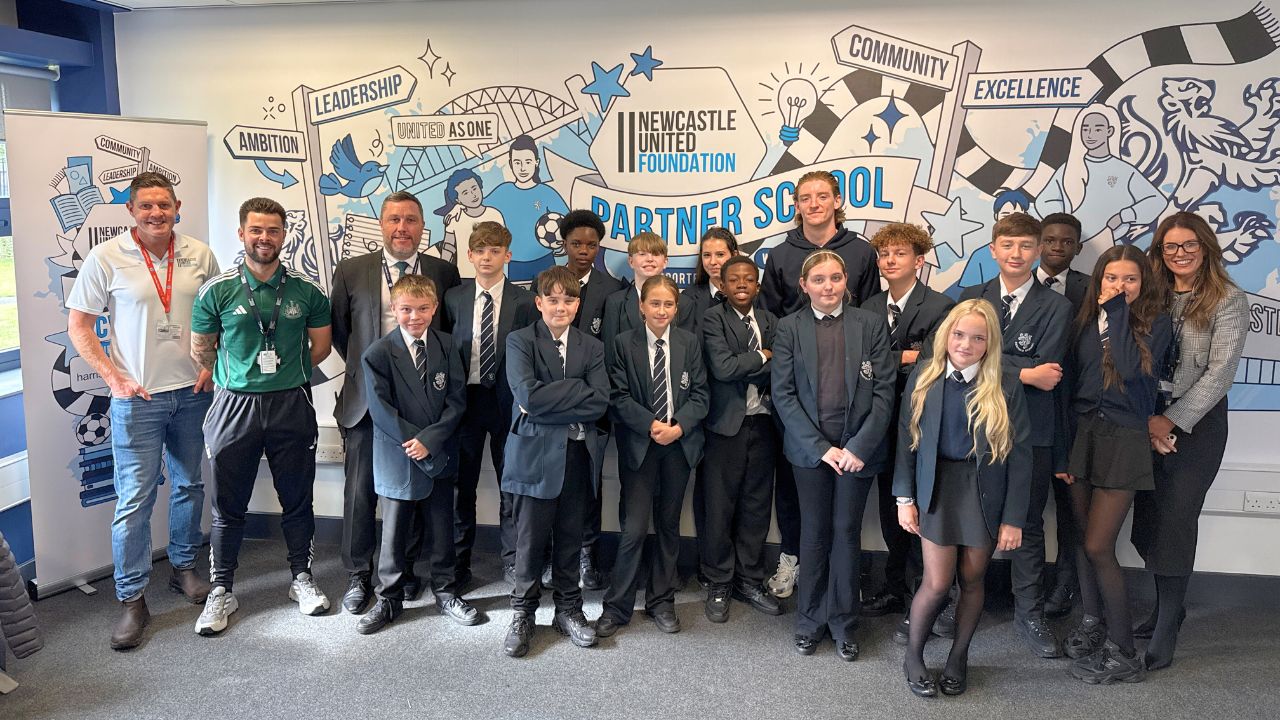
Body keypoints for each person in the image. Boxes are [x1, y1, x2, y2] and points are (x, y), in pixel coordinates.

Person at [66, 172, 220, 650]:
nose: (156, 213)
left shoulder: (200, 255)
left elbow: (218, 315)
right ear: (131, 211)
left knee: (190, 484)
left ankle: (183, 567)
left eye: (164, 205)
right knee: (134, 499)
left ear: (178, 207)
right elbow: (79, 325)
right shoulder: (106, 257)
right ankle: (132, 598)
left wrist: (210, 364)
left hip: (193, 392)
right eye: (146, 206)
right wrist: (113, 378)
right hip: (138, 400)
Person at [189, 197, 333, 636]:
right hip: (234, 405)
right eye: (256, 230)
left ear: (283, 235)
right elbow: (201, 350)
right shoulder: (217, 290)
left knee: (297, 498)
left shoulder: (307, 290)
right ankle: (221, 589)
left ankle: (301, 578)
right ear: (241, 234)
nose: (264, 238)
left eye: (273, 230)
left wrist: (285, 374)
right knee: (228, 505)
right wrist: (236, 376)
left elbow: (321, 347)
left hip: (291, 403)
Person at [330, 190, 462, 616]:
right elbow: (342, 333)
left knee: (414, 491)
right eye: (394, 219)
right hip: (367, 404)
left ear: (423, 226)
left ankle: (403, 574)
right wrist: (374, 376)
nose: (402, 228)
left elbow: (446, 334)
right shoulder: (352, 270)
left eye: (410, 220)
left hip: (422, 403)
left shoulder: (443, 271)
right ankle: (358, 576)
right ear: (382, 224)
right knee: (361, 494)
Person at [894, 299, 1031, 698]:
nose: (965, 345)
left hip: (982, 491)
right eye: (958, 334)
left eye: (977, 338)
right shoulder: (925, 375)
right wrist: (904, 498)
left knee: (972, 581)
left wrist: (1013, 518)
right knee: (937, 583)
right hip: (938, 487)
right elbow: (905, 441)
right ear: (946, 335)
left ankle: (958, 657)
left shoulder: (1005, 383)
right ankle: (914, 657)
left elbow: (1022, 457)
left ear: (990, 343)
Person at [1132, 212, 1248, 670]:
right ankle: (1170, 607)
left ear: (1205, 247)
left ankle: (1166, 627)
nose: (1179, 254)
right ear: (1160, 252)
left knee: (1175, 522)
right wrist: (1149, 420)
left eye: (1189, 245)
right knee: (1147, 521)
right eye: (1170, 247)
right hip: (1146, 418)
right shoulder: (1152, 295)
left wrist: (1171, 422)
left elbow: (1220, 373)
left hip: (1197, 426)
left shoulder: (1228, 299)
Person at [761, 170, 880, 598]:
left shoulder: (861, 251)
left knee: (845, 514)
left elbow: (870, 313)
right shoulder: (780, 255)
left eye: (822, 196)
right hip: (798, 395)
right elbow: (770, 317)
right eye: (805, 197)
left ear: (837, 200)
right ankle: (793, 560)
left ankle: (842, 579)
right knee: (795, 489)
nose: (814, 204)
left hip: (849, 396)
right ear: (796, 205)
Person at [771, 250, 894, 661]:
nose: (828, 286)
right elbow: (783, 395)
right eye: (819, 279)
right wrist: (821, 448)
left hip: (857, 451)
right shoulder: (789, 328)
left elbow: (884, 393)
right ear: (804, 285)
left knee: (845, 532)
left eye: (835, 278)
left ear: (847, 282)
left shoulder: (870, 324)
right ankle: (809, 620)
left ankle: (843, 622)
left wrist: (858, 447)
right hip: (810, 451)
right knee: (814, 533)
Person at [960, 212, 1072, 658]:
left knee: (1026, 521)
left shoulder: (1057, 307)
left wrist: (991, 364)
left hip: (1032, 432)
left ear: (1039, 251)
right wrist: (1024, 372)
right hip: (975, 428)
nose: (1016, 253)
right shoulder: (971, 298)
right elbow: (958, 358)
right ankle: (957, 601)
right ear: (993, 250)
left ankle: (1030, 612)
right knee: (968, 519)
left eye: (1026, 246)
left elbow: (1050, 370)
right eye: (1007, 245)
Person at [1059, 245, 1171, 684]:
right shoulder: (1084, 321)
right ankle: (1093, 622)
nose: (1119, 285)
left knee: (1098, 546)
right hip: (1082, 435)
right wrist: (1064, 448)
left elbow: (1128, 369)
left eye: (1130, 279)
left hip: (1124, 440)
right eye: (1111, 278)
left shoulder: (1156, 323)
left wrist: (1118, 311)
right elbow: (1069, 385)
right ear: (1098, 280)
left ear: (1143, 284)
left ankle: (1123, 652)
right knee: (1081, 537)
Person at [355, 274, 481, 634]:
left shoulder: (447, 345)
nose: (415, 316)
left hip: (438, 451)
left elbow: (457, 401)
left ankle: (446, 591)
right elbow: (381, 410)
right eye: (407, 309)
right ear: (394, 309)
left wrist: (431, 440)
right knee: (394, 533)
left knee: (443, 527)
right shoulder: (378, 353)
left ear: (435, 307)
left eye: (423, 308)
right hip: (399, 455)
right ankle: (389, 598)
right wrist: (414, 441)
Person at [501, 266, 610, 657]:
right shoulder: (520, 341)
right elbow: (528, 397)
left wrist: (551, 400)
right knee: (529, 542)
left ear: (577, 305)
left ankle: (568, 609)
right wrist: (577, 390)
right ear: (539, 302)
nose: (560, 307)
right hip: (534, 455)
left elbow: (600, 401)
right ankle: (523, 613)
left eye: (568, 300)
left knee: (570, 538)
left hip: (577, 455)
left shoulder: (592, 346)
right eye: (552, 299)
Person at [595, 275, 708, 638]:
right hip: (640, 446)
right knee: (633, 528)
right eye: (655, 303)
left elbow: (701, 394)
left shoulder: (689, 342)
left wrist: (679, 427)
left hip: (677, 445)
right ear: (641, 306)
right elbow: (617, 395)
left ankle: (662, 600)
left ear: (677, 308)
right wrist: (650, 424)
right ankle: (617, 607)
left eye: (668, 304)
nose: (661, 310)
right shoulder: (623, 343)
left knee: (669, 526)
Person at [859, 223, 955, 641]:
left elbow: (935, 361)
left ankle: (926, 598)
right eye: (884, 254)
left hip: (920, 419)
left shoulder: (941, 305)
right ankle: (896, 588)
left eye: (899, 253)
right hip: (877, 420)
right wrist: (905, 355)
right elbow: (861, 360)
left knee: (919, 511)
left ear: (919, 260)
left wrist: (891, 358)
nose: (890, 260)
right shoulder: (867, 306)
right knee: (890, 509)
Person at [443, 222, 536, 587]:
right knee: (460, 486)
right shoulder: (453, 298)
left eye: (495, 251)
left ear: (507, 256)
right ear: (469, 255)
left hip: (506, 404)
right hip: (464, 403)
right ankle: (459, 562)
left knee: (510, 483)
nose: (487, 257)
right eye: (480, 250)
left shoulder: (524, 301)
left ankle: (512, 561)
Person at [698, 255, 782, 623]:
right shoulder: (712, 318)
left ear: (758, 286)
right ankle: (719, 580)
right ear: (723, 285)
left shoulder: (770, 321)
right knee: (719, 506)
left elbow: (781, 368)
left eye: (749, 279)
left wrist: (747, 364)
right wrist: (762, 355)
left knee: (756, 505)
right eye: (734, 280)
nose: (742, 284)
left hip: (764, 424)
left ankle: (749, 579)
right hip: (724, 427)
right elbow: (722, 367)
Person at [559, 209, 624, 589]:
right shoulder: (546, 283)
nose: (584, 251)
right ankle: (555, 555)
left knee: (589, 483)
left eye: (591, 245)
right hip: (553, 404)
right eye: (576, 244)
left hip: (594, 403)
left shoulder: (611, 289)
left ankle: (587, 555)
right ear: (564, 245)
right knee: (553, 482)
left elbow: (613, 351)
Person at [1037, 212, 1091, 619]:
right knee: (1025, 507)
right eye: (1051, 239)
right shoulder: (1016, 284)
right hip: (1028, 410)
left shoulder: (1091, 290)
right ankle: (1028, 588)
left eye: (1067, 241)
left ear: (1077, 247)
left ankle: (1065, 584)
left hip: (1073, 413)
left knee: (1071, 509)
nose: (1058, 247)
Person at [1034, 103, 1164, 268]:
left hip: (1107, 246)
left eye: (1098, 129)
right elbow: (1044, 201)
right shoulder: (1069, 168)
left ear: (1109, 131)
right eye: (1085, 129)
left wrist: (1124, 216)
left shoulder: (1123, 170)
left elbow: (1157, 200)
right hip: (1072, 252)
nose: (1090, 135)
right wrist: (1067, 225)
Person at [486, 135, 569, 282]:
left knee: (547, 295)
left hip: (545, 260)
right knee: (518, 297)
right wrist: (458, 207)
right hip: (515, 263)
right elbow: (477, 209)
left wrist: (563, 243)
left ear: (536, 162)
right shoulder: (503, 192)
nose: (522, 168)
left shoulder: (547, 192)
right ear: (510, 163)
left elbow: (570, 223)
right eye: (517, 162)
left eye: (528, 162)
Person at [601, 231, 670, 346]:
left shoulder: (683, 303)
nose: (649, 259)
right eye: (642, 254)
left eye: (656, 254)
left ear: (665, 262)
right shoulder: (616, 303)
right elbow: (610, 348)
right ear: (631, 261)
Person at [433, 168, 505, 276]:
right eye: (465, 193)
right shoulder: (455, 218)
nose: (473, 195)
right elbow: (448, 248)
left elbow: (503, 247)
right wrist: (443, 274)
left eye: (474, 188)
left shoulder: (495, 215)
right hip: (463, 277)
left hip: (492, 276)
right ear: (457, 200)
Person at [677, 227, 738, 334]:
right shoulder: (688, 298)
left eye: (720, 254)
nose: (712, 262)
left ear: (734, 255)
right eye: (707, 255)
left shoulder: (749, 297)